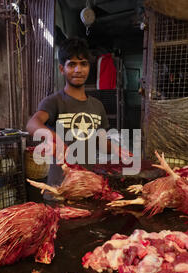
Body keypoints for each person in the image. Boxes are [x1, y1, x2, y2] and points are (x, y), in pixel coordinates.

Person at [26, 37, 131, 200]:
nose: (78, 70)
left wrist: (118, 150)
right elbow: (32, 124)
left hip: (86, 186)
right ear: (62, 69)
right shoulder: (54, 102)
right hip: (58, 189)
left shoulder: (97, 106)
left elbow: (100, 142)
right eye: (72, 64)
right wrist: (56, 139)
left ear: (89, 67)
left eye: (83, 64)